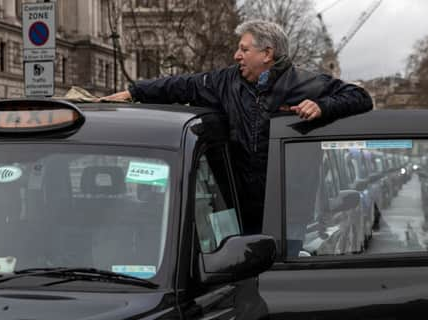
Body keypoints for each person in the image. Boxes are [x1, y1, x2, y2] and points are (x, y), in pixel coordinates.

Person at [101, 20, 373, 233]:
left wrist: (322, 107)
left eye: (244, 49)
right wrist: (134, 92)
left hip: (289, 215)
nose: (236, 55)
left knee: (281, 286)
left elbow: (361, 98)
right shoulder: (225, 82)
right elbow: (182, 85)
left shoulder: (307, 83)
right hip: (235, 213)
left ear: (267, 53)